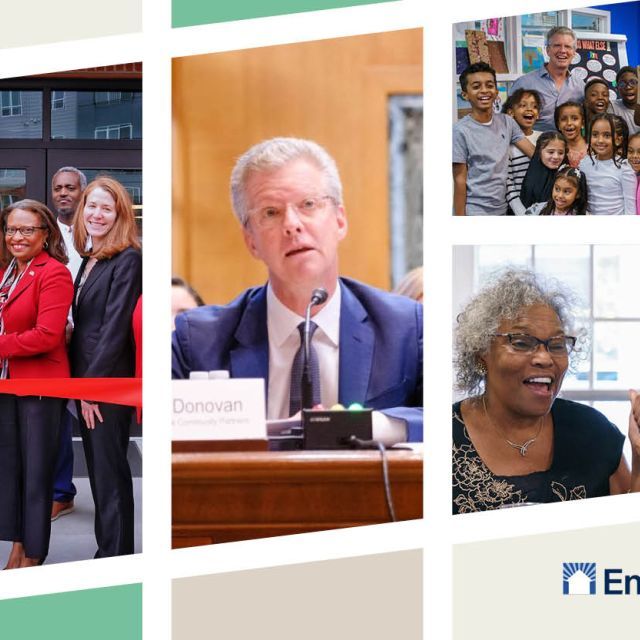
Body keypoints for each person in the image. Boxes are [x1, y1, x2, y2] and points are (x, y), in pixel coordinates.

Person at [172, 137, 422, 442]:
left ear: (339, 220)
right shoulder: (198, 342)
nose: (292, 224)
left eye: (308, 205)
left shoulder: (405, 327)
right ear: (251, 240)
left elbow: (451, 419)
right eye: (270, 213)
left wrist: (376, 425)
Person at [452, 268, 639, 513]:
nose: (544, 357)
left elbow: (627, 537)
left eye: (557, 344)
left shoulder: (593, 432)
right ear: (481, 352)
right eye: (521, 342)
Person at [70, 177, 142, 557]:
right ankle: (109, 553)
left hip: (105, 386)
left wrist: (91, 390)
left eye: (106, 208)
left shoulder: (128, 258)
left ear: (120, 215)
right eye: (91, 206)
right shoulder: (90, 258)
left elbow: (114, 329)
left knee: (110, 474)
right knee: (100, 474)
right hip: (87, 383)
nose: (97, 214)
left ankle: (115, 559)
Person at [0, 200, 73, 566]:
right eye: (12, 229)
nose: (17, 236)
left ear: (45, 234)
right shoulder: (8, 272)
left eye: (27, 229)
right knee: (12, 472)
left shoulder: (54, 272)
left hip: (41, 386)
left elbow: (47, 335)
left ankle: (34, 554)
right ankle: (17, 544)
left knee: (36, 474)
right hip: (10, 385)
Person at [50, 166, 87, 521]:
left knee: (94, 415)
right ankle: (62, 491)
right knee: (57, 417)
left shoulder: (97, 231)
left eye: (70, 188)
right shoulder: (46, 234)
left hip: (91, 340)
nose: (64, 193)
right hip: (57, 338)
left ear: (82, 192)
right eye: (58, 188)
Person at [453, 62, 534, 215]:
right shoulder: (460, 131)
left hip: (503, 209)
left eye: (489, 85)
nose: (484, 90)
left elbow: (533, 153)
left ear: (496, 91)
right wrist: (459, 222)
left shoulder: (507, 122)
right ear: (465, 94)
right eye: (476, 87)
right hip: (475, 211)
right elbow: (459, 180)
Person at [508, 26, 584, 131]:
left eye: (568, 46)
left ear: (574, 52)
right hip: (531, 145)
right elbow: (507, 123)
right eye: (557, 45)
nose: (562, 50)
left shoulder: (580, 87)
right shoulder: (524, 84)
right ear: (547, 50)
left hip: (568, 145)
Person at [579, 113, 636, 214]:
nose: (600, 140)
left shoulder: (625, 169)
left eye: (607, 135)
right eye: (595, 135)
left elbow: (630, 208)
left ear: (618, 140)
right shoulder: (584, 163)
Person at [502, 89, 542, 215]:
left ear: (538, 114)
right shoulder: (505, 144)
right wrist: (519, 210)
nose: (529, 109)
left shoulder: (544, 138)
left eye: (534, 106)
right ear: (510, 113)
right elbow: (507, 181)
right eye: (523, 105)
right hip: (518, 208)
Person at [520, 131, 568, 210]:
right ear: (539, 152)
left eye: (560, 153)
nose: (556, 156)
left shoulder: (567, 176)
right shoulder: (531, 179)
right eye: (551, 152)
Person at [555, 102, 587, 168]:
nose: (569, 123)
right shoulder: (555, 150)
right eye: (563, 119)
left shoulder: (593, 147)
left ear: (582, 123)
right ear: (558, 125)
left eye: (574, 118)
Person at [609, 66, 640, 136]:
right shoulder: (612, 107)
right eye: (622, 84)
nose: (628, 87)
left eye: (633, 82)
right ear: (617, 88)